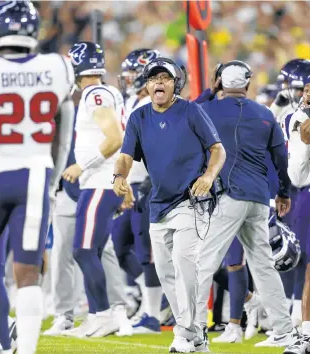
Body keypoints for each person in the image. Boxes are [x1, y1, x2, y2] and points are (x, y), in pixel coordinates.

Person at [113, 57, 226, 353]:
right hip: (158, 203)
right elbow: (126, 155)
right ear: (147, 85)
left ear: (176, 83)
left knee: (184, 265)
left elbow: (217, 150)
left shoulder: (191, 111)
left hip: (192, 201)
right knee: (166, 272)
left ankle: (184, 333)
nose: (158, 82)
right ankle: (196, 333)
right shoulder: (139, 118)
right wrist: (118, 175)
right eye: (153, 78)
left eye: (165, 77)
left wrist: (208, 175)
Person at [197, 60, 297, 350]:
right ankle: (283, 330)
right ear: (248, 83)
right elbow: (281, 159)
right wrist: (283, 194)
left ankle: (193, 331)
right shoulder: (265, 113)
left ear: (221, 83)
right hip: (258, 199)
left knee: (203, 263)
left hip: (229, 196)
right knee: (264, 267)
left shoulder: (207, 110)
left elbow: (187, 111)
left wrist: (208, 91)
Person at [0, 1, 75, 353]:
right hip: (34, 174)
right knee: (28, 274)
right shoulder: (57, 66)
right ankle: (25, 350)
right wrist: (54, 180)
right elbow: (64, 133)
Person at [44, 105, 132, 337]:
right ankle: (66, 315)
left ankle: (115, 310)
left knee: (101, 251)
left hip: (95, 189)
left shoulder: (91, 109)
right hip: (68, 190)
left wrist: (123, 181)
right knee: (64, 253)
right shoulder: (51, 115)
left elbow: (114, 146)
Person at [62, 41, 128, 338]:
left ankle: (103, 314)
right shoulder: (107, 91)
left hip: (100, 182)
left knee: (84, 250)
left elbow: (114, 138)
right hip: (105, 182)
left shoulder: (96, 94)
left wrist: (81, 165)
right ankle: (95, 316)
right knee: (92, 251)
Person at [114, 48, 163, 334]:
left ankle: (153, 314)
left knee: (147, 251)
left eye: (133, 72)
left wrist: (151, 180)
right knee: (118, 244)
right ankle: (152, 300)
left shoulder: (157, 106)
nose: (128, 78)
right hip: (130, 185)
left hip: (148, 184)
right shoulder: (132, 101)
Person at [283, 76, 310, 354]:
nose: (307, 93)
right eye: (306, 89)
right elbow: (297, 173)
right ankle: (306, 332)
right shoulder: (298, 118)